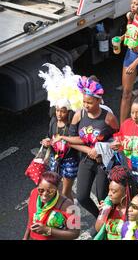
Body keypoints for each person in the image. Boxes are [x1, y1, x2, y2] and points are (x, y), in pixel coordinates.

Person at [58, 76, 119, 218]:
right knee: (82, 197)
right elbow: (74, 141)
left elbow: (118, 139)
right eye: (84, 102)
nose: (86, 105)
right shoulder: (79, 115)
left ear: (99, 100)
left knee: (102, 196)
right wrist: (88, 150)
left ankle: (108, 221)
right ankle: (102, 218)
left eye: (89, 103)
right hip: (86, 160)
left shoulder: (108, 118)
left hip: (104, 162)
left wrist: (101, 149)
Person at [38, 64, 85, 201]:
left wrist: (64, 140)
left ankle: (71, 219)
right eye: (57, 110)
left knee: (65, 192)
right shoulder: (53, 121)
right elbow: (49, 136)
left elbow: (76, 141)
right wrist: (46, 142)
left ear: (68, 111)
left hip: (70, 161)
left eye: (63, 111)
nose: (59, 114)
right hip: (55, 159)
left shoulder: (72, 125)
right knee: (55, 190)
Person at [24, 172, 80, 240]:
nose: (44, 194)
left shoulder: (69, 206)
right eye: (41, 190)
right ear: (38, 186)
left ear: (57, 189)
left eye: (50, 191)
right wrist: (25, 237)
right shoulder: (34, 193)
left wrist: (48, 230)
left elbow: (75, 233)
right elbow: (30, 218)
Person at [94, 166, 138, 240]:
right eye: (109, 190)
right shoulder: (110, 206)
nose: (109, 194)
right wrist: (104, 211)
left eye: (113, 191)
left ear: (126, 192)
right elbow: (98, 229)